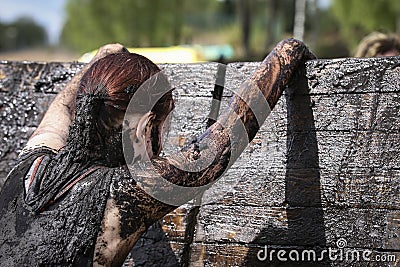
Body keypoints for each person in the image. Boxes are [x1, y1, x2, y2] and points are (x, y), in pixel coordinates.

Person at [0, 39, 314, 266]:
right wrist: (286, 53)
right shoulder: (122, 194)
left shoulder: (30, 163)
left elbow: (63, 107)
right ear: (146, 125)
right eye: (165, 124)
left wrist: (102, 61)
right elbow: (217, 148)